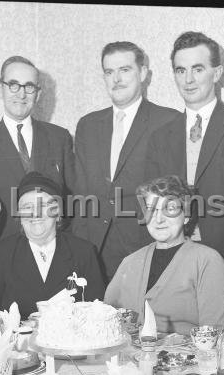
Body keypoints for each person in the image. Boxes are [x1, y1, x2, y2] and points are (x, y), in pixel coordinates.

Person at [145, 31, 224, 257]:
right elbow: (153, 207)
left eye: (198, 69)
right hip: (174, 256)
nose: (188, 80)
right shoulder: (159, 137)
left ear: (217, 74)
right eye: (181, 70)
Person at [74, 41, 178, 279]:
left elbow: (173, 195)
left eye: (125, 70)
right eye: (109, 72)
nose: (116, 79)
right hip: (93, 251)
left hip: (144, 248)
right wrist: (79, 249)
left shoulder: (168, 121)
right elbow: (79, 192)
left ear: (143, 73)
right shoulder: (88, 125)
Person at [0, 56, 75, 242]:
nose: (21, 94)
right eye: (13, 85)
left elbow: (72, 196)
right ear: (0, 89)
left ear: (37, 94)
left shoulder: (60, 138)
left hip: (55, 246)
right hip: (4, 252)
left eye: (29, 86)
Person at [105, 175, 224, 334]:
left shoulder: (207, 261)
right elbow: (105, 322)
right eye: (151, 209)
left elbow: (216, 334)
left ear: (185, 216)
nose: (159, 219)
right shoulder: (129, 262)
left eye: (170, 209)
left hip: (186, 357)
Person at [0, 172, 104, 319]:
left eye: (43, 205)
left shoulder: (83, 252)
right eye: (27, 206)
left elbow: (98, 313)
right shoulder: (2, 253)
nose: (35, 214)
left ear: (58, 213)